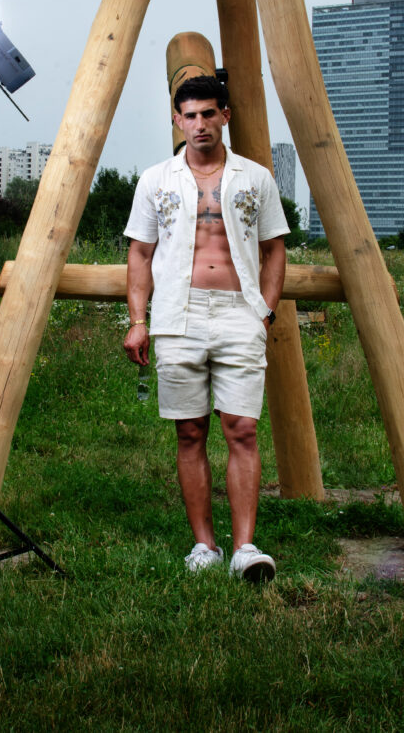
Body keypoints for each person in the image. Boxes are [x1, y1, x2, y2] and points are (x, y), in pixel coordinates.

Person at [123, 75, 289, 580]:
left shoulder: (256, 177)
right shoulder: (156, 179)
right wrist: (137, 321)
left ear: (225, 116)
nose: (200, 124)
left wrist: (266, 308)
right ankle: (204, 546)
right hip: (178, 313)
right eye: (190, 115)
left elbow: (274, 246)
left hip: (240, 311)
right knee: (190, 431)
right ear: (177, 120)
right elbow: (141, 252)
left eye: (208, 114)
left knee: (242, 428)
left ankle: (244, 548)